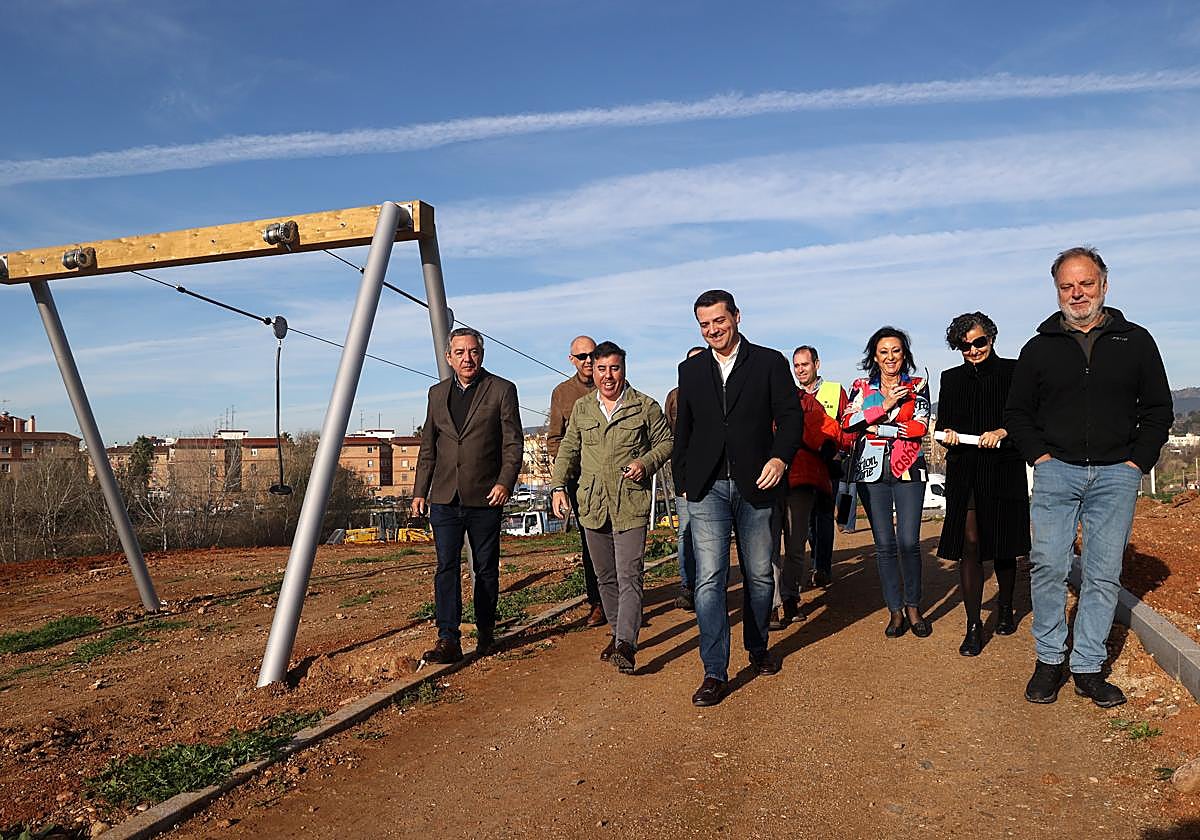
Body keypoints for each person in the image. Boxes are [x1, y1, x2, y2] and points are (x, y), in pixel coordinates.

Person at [1005, 246, 1171, 707]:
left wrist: (1137, 461)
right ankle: (1049, 660)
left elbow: (1158, 409)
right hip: (1056, 473)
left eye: (1086, 283)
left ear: (1104, 284)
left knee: (1102, 574)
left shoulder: (1136, 341)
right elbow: (1018, 413)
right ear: (1057, 290)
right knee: (1049, 567)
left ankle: (1087, 667)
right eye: (1067, 286)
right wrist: (1040, 458)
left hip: (1117, 474)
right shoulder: (1038, 349)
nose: (1077, 293)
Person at [673, 290, 802, 706]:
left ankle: (758, 645)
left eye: (719, 321)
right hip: (707, 486)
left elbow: (790, 417)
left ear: (737, 317)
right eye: (705, 324)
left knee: (760, 574)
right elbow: (685, 430)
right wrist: (682, 479)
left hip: (758, 483)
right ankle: (714, 670)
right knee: (709, 579)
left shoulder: (769, 362)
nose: (713, 330)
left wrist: (781, 458)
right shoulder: (690, 371)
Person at [550, 342, 673, 674]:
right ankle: (619, 632)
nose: (608, 376)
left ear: (624, 369)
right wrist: (558, 486)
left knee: (629, 575)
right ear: (594, 370)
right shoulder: (583, 408)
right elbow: (568, 449)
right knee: (605, 577)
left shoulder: (644, 406)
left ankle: (626, 645)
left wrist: (645, 463)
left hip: (630, 501)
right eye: (601, 369)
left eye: (614, 368)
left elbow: (667, 442)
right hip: (592, 505)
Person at [412, 328, 524, 664]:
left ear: (482, 354)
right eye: (459, 352)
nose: (467, 358)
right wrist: (420, 491)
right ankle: (449, 638)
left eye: (473, 351)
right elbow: (428, 447)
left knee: (485, 569)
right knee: (445, 567)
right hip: (445, 498)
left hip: (485, 497)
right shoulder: (436, 394)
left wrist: (505, 482)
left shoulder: (502, 390)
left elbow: (512, 443)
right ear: (449, 357)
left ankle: (486, 631)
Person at [934, 312, 1029, 657]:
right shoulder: (951, 378)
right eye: (965, 345)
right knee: (970, 543)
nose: (973, 350)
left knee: (1003, 543)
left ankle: (1005, 607)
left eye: (978, 342)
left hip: (1003, 466)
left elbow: (1025, 418)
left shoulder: (1013, 371)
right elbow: (944, 426)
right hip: (966, 470)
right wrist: (948, 436)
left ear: (991, 337)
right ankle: (973, 625)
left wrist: (1002, 432)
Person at [843, 327, 932, 639]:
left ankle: (913, 606)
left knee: (908, 542)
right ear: (875, 356)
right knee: (884, 544)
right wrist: (884, 406)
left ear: (904, 354)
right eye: (884, 351)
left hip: (910, 469)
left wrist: (876, 425)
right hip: (871, 473)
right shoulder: (861, 386)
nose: (890, 357)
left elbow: (918, 428)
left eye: (896, 350)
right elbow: (848, 423)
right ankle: (894, 610)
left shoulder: (918, 385)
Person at [770, 380, 842, 629]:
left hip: (799, 480)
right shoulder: (758, 397)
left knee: (795, 545)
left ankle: (789, 597)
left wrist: (826, 443)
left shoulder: (807, 402)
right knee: (768, 547)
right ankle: (772, 602)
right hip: (766, 481)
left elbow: (830, 430)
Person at [547, 335, 606, 628]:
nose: (588, 361)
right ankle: (597, 602)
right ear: (572, 359)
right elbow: (555, 439)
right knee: (590, 542)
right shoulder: (562, 393)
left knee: (622, 541)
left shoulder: (611, 383)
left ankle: (623, 600)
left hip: (615, 477)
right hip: (582, 480)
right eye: (581, 356)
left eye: (592, 355)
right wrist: (563, 479)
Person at [792, 345, 854, 588]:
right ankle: (817, 557)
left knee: (824, 517)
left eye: (804, 365)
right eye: (796, 366)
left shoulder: (835, 391)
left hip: (829, 465)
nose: (800, 370)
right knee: (806, 520)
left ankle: (822, 566)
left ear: (817, 365)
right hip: (802, 468)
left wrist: (840, 453)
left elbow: (847, 425)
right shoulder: (791, 396)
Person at [664, 346, 707, 611]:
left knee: (713, 532)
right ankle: (688, 584)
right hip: (686, 473)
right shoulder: (675, 396)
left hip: (713, 474)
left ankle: (710, 585)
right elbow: (673, 436)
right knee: (686, 531)